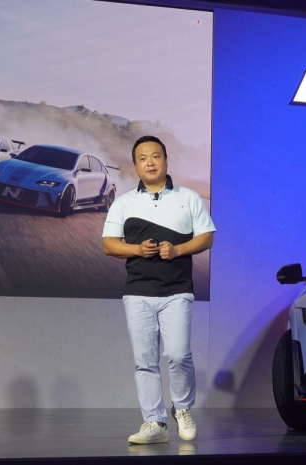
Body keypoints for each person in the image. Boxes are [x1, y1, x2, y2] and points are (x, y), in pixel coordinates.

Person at [102, 135, 215, 444]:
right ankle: (154, 422)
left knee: (178, 355)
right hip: (137, 291)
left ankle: (182, 409)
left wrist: (178, 250)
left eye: (155, 156)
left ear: (165, 160)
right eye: (143, 158)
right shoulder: (124, 202)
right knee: (145, 360)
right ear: (135, 165)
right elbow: (109, 244)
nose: (149, 162)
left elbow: (206, 237)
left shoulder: (189, 197)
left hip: (177, 290)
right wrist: (137, 249)